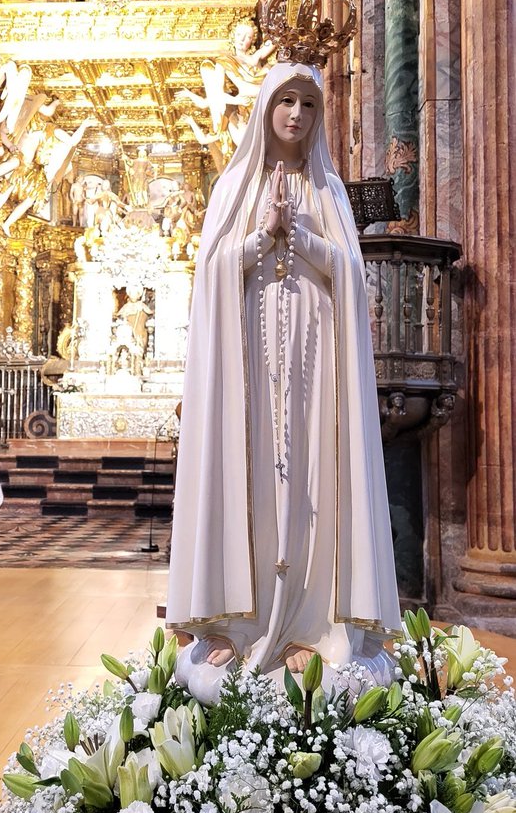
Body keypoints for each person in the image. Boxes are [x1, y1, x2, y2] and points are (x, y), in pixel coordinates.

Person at [167, 62, 401, 679]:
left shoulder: (328, 190)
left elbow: (350, 273)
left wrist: (304, 238)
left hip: (314, 368)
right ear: (266, 108)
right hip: (246, 367)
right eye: (286, 101)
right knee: (250, 488)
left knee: (312, 487)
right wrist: (260, 237)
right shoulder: (233, 186)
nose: (296, 113)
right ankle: (236, 623)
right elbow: (211, 273)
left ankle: (310, 624)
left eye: (308, 104)